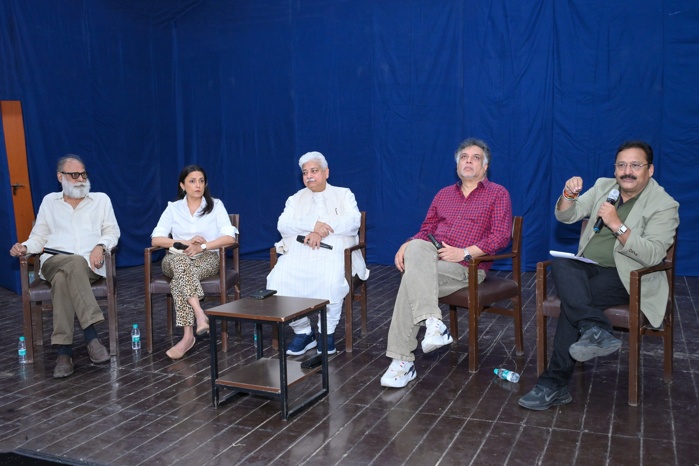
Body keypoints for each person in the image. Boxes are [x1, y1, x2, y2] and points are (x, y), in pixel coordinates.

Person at [518, 140, 679, 410]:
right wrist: (569, 195)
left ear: (649, 170)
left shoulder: (664, 204)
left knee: (573, 304)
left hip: (630, 275)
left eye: (635, 165)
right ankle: (595, 327)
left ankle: (553, 385)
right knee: (561, 264)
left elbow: (653, 255)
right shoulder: (605, 187)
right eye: (621, 165)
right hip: (589, 266)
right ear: (615, 168)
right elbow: (567, 217)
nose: (627, 171)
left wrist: (617, 224)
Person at [381, 138, 513, 388]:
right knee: (416, 245)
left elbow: (500, 236)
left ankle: (402, 362)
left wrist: (464, 252)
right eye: (464, 157)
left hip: (468, 267)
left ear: (485, 166)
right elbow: (426, 230)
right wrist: (406, 244)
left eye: (475, 158)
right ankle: (433, 323)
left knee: (409, 281)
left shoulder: (498, 194)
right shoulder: (443, 195)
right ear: (457, 164)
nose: (469, 161)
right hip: (433, 260)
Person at [10, 155, 120, 378]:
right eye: (74, 175)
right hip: (53, 261)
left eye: (83, 174)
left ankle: (64, 352)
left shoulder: (101, 200)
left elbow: (112, 231)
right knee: (73, 262)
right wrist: (25, 247)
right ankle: (91, 336)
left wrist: (101, 245)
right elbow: (39, 237)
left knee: (64, 278)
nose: (81, 179)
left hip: (89, 266)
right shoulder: (50, 202)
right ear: (60, 177)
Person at [266, 151, 369, 356]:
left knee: (330, 281)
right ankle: (304, 332)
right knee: (276, 281)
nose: (309, 176)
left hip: (335, 251)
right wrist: (311, 225)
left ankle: (326, 333)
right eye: (305, 173)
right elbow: (283, 225)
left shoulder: (344, 194)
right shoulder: (295, 198)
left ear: (326, 172)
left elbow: (352, 222)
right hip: (300, 251)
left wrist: (321, 230)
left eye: (314, 171)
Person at [151, 165, 238, 360]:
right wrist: (184, 243)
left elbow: (229, 237)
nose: (197, 185)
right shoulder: (173, 208)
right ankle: (199, 313)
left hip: (207, 258)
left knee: (179, 280)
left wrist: (203, 247)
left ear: (205, 184)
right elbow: (156, 239)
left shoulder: (216, 205)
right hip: (174, 258)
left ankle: (188, 336)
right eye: (192, 181)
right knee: (180, 261)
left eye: (201, 181)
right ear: (183, 185)